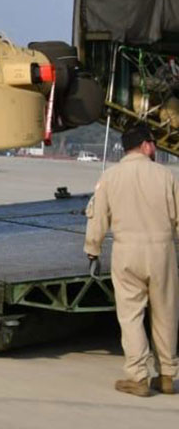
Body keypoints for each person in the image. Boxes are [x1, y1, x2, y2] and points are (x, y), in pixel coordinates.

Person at [85, 122, 178, 397]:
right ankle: (167, 376)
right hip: (161, 251)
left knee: (131, 315)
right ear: (146, 145)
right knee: (165, 314)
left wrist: (93, 250)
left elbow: (98, 217)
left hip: (126, 252)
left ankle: (137, 376)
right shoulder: (166, 176)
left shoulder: (110, 177)